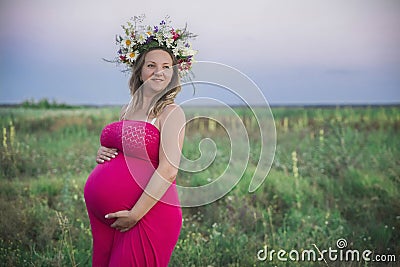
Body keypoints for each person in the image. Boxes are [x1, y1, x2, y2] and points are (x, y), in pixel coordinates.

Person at [84, 16, 196, 266]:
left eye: (167, 66)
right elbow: (125, 149)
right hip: (107, 217)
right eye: (152, 65)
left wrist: (135, 214)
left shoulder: (171, 112)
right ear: (139, 69)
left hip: (148, 215)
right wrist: (104, 152)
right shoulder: (128, 108)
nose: (159, 72)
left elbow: (168, 170)